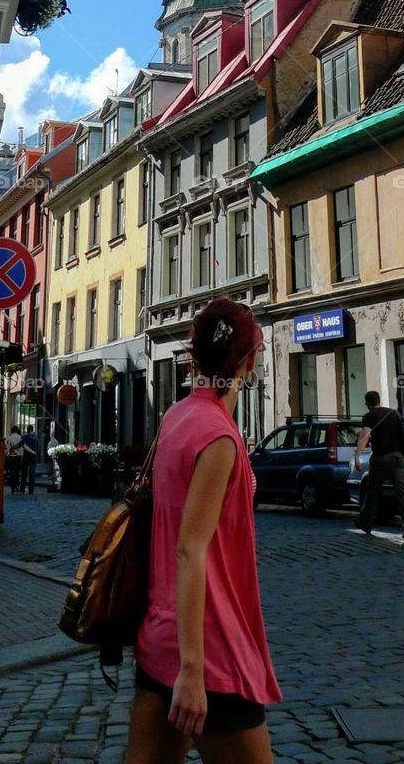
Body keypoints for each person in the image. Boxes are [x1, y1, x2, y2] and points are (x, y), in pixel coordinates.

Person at [126, 299, 280, 764]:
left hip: (160, 637)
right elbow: (190, 551)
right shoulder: (217, 436)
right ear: (250, 361)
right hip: (209, 650)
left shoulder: (175, 418)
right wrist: (193, 671)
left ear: (193, 360)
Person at [354, 390, 404, 541]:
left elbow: (365, 436)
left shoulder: (369, 416)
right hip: (398, 457)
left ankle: (365, 523)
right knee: (403, 494)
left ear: (367, 403)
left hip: (380, 458)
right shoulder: (394, 413)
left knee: (372, 491)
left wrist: (357, 456)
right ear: (379, 400)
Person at [20, 426, 38, 495]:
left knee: (24, 474)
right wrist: (34, 453)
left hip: (26, 457)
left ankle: (22, 489)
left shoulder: (25, 437)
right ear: (32, 430)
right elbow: (38, 447)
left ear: (27, 430)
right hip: (33, 458)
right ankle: (31, 490)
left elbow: (23, 445)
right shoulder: (36, 438)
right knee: (32, 474)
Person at [6, 425, 23, 494]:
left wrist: (7, 455)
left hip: (12, 456)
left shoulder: (9, 438)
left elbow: (8, 448)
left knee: (12, 472)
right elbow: (22, 448)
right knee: (17, 472)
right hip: (19, 456)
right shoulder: (20, 437)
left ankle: (13, 487)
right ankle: (17, 486)